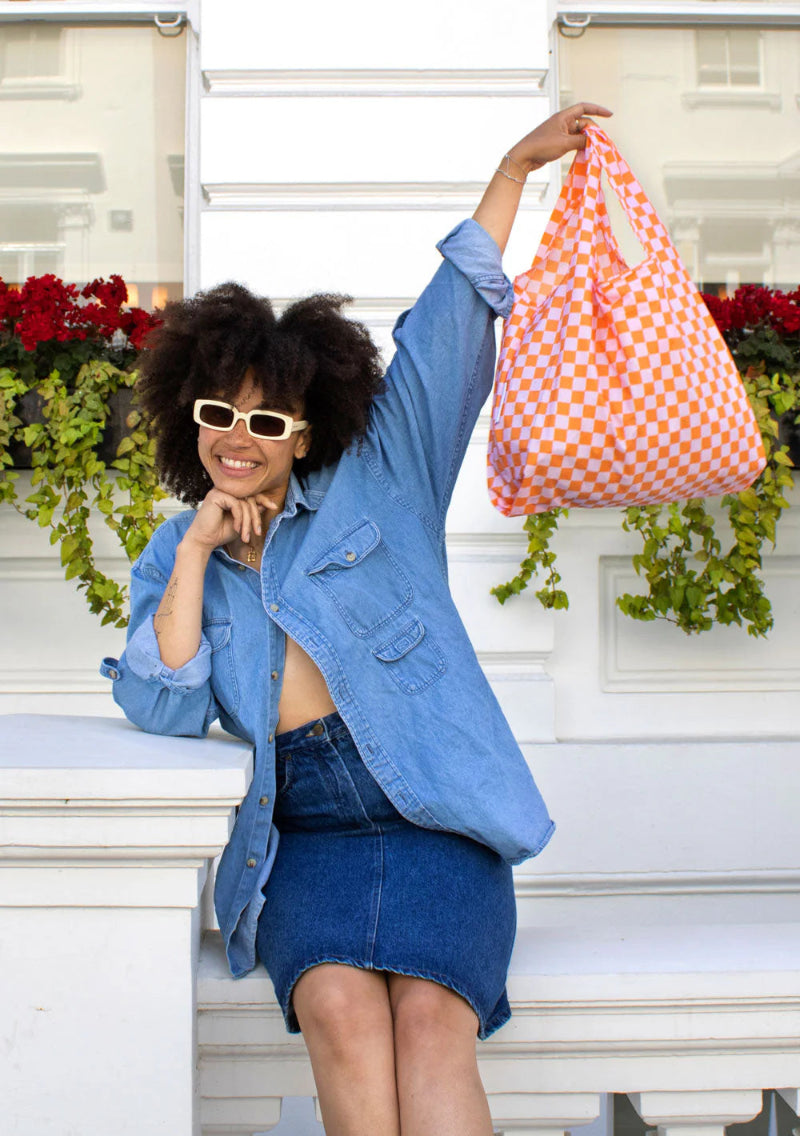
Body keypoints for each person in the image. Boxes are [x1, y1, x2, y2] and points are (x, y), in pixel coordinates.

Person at [101, 101, 612, 1136]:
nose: (235, 441)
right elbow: (162, 708)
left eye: (264, 420)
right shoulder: (176, 552)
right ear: (184, 415)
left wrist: (511, 171)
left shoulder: (382, 480)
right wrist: (198, 550)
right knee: (337, 1005)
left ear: (305, 427)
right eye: (215, 414)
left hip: (432, 816)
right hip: (307, 839)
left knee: (429, 1015)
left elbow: (444, 337)